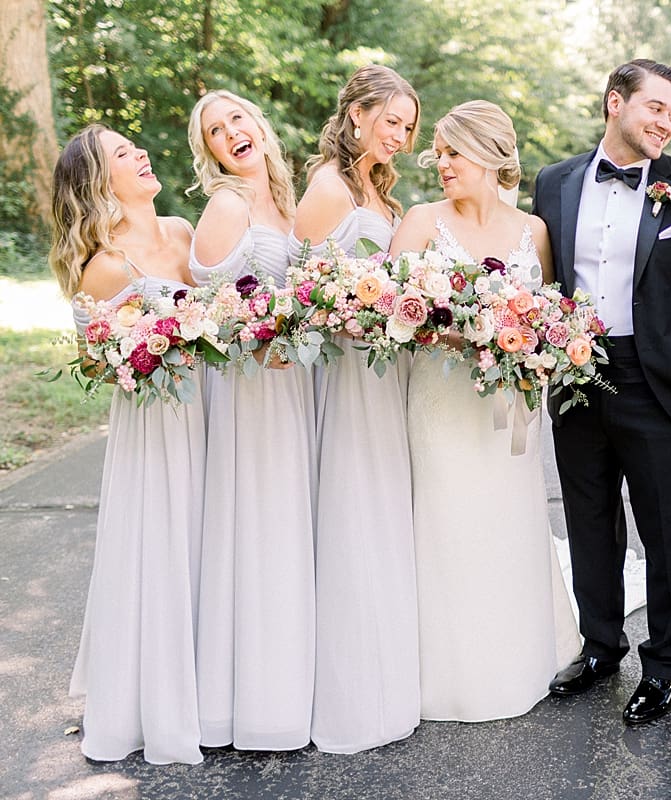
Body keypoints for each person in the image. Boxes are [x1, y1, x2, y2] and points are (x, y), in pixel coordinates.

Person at [532, 59, 671, 725]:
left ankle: (667, 664)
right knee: (589, 518)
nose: (665, 122)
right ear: (614, 102)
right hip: (576, 374)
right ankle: (600, 648)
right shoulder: (555, 182)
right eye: (655, 108)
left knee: (667, 529)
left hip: (660, 381)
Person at [389, 100, 580, 722]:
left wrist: (526, 346)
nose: (440, 163)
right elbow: (390, 317)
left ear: (493, 157)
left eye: (452, 152)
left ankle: (518, 654)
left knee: (505, 519)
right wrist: (458, 335)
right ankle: (449, 670)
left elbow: (546, 315)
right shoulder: (421, 222)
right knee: (446, 522)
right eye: (437, 152)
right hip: (441, 402)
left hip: (509, 408)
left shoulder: (535, 231)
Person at [50, 124, 205, 764]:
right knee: (162, 545)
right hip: (159, 424)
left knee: (208, 546)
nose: (140, 153)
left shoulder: (182, 230)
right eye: (122, 154)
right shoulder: (106, 266)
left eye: (133, 145)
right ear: (99, 183)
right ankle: (158, 699)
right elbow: (106, 362)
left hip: (216, 412)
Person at [288, 64, 422, 754]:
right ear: (358, 114)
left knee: (385, 500)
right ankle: (351, 677)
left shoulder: (377, 187)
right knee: (353, 503)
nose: (399, 135)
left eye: (407, 125)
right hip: (346, 373)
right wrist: (358, 318)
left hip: (386, 365)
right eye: (390, 120)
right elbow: (301, 295)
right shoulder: (328, 186)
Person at [186, 89, 316, 751]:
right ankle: (252, 698)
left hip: (294, 389)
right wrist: (257, 338)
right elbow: (203, 311)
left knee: (290, 526)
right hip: (251, 394)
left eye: (237, 117)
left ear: (258, 126)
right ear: (210, 151)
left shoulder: (285, 204)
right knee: (258, 529)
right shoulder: (227, 204)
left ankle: (294, 679)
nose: (231, 131)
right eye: (215, 130)